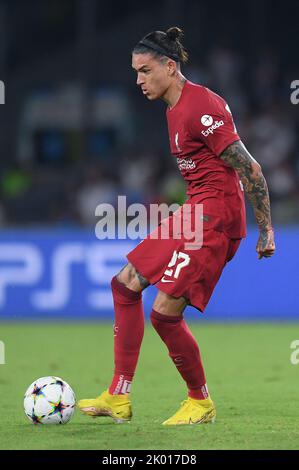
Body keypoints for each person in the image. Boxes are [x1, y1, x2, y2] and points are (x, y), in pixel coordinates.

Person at [78, 27, 275, 425]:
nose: (139, 80)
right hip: (193, 213)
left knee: (164, 315)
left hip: (215, 219)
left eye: (146, 71)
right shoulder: (173, 108)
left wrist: (266, 229)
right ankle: (118, 395)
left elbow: (250, 168)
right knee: (124, 284)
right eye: (136, 72)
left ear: (170, 66)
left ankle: (200, 401)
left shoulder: (201, 107)